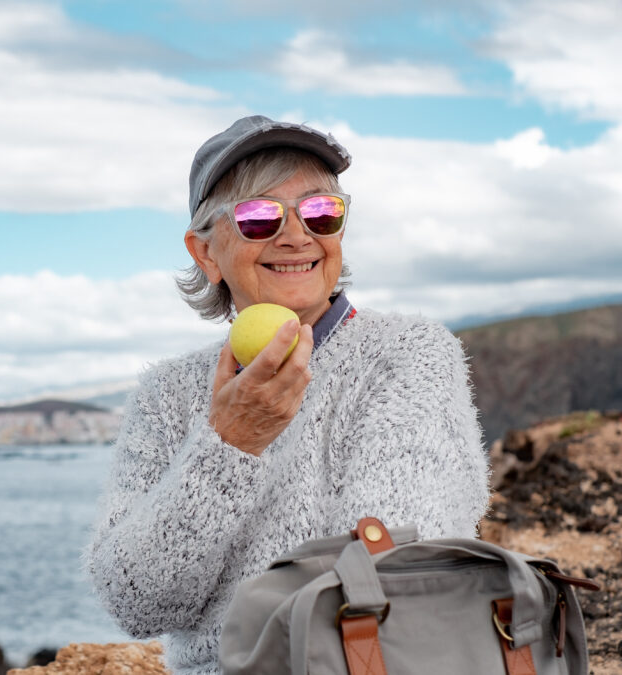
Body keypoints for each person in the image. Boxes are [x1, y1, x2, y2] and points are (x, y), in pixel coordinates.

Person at [85, 116, 490, 674]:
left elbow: (395, 566)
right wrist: (230, 446)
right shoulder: (167, 393)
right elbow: (136, 602)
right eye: (258, 216)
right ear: (205, 253)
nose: (298, 235)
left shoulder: (410, 352)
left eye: (321, 211)